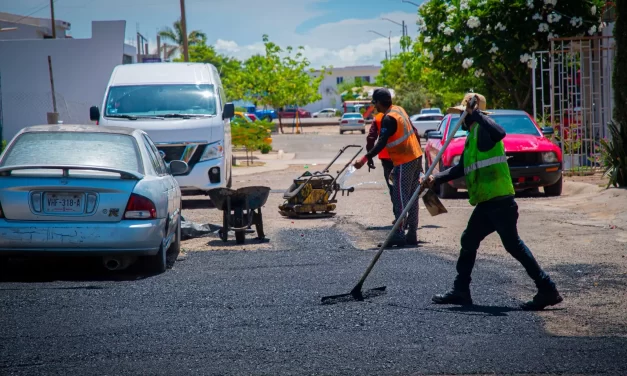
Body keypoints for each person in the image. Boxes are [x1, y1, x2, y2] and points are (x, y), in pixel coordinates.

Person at [421, 93, 563, 310]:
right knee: (469, 240)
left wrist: (475, 114)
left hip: (499, 201)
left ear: (474, 114)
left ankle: (547, 289)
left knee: (513, 245)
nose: (462, 119)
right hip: (487, 201)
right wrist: (435, 178)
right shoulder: (471, 137)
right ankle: (461, 290)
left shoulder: (485, 131)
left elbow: (500, 132)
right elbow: (460, 168)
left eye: (463, 115)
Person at [353, 88, 424, 247]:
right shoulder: (399, 110)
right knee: (412, 197)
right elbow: (415, 131)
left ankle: (398, 234)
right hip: (416, 156)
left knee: (400, 197)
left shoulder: (388, 118)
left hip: (404, 160)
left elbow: (381, 142)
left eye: (375, 103)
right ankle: (412, 233)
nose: (375, 107)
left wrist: (364, 159)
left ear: (379, 102)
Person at [366, 111, 399, 221]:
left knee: (393, 187)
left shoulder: (378, 118)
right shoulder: (400, 115)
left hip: (387, 158)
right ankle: (408, 216)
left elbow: (371, 138)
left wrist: (369, 157)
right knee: (406, 186)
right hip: (405, 156)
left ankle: (399, 216)